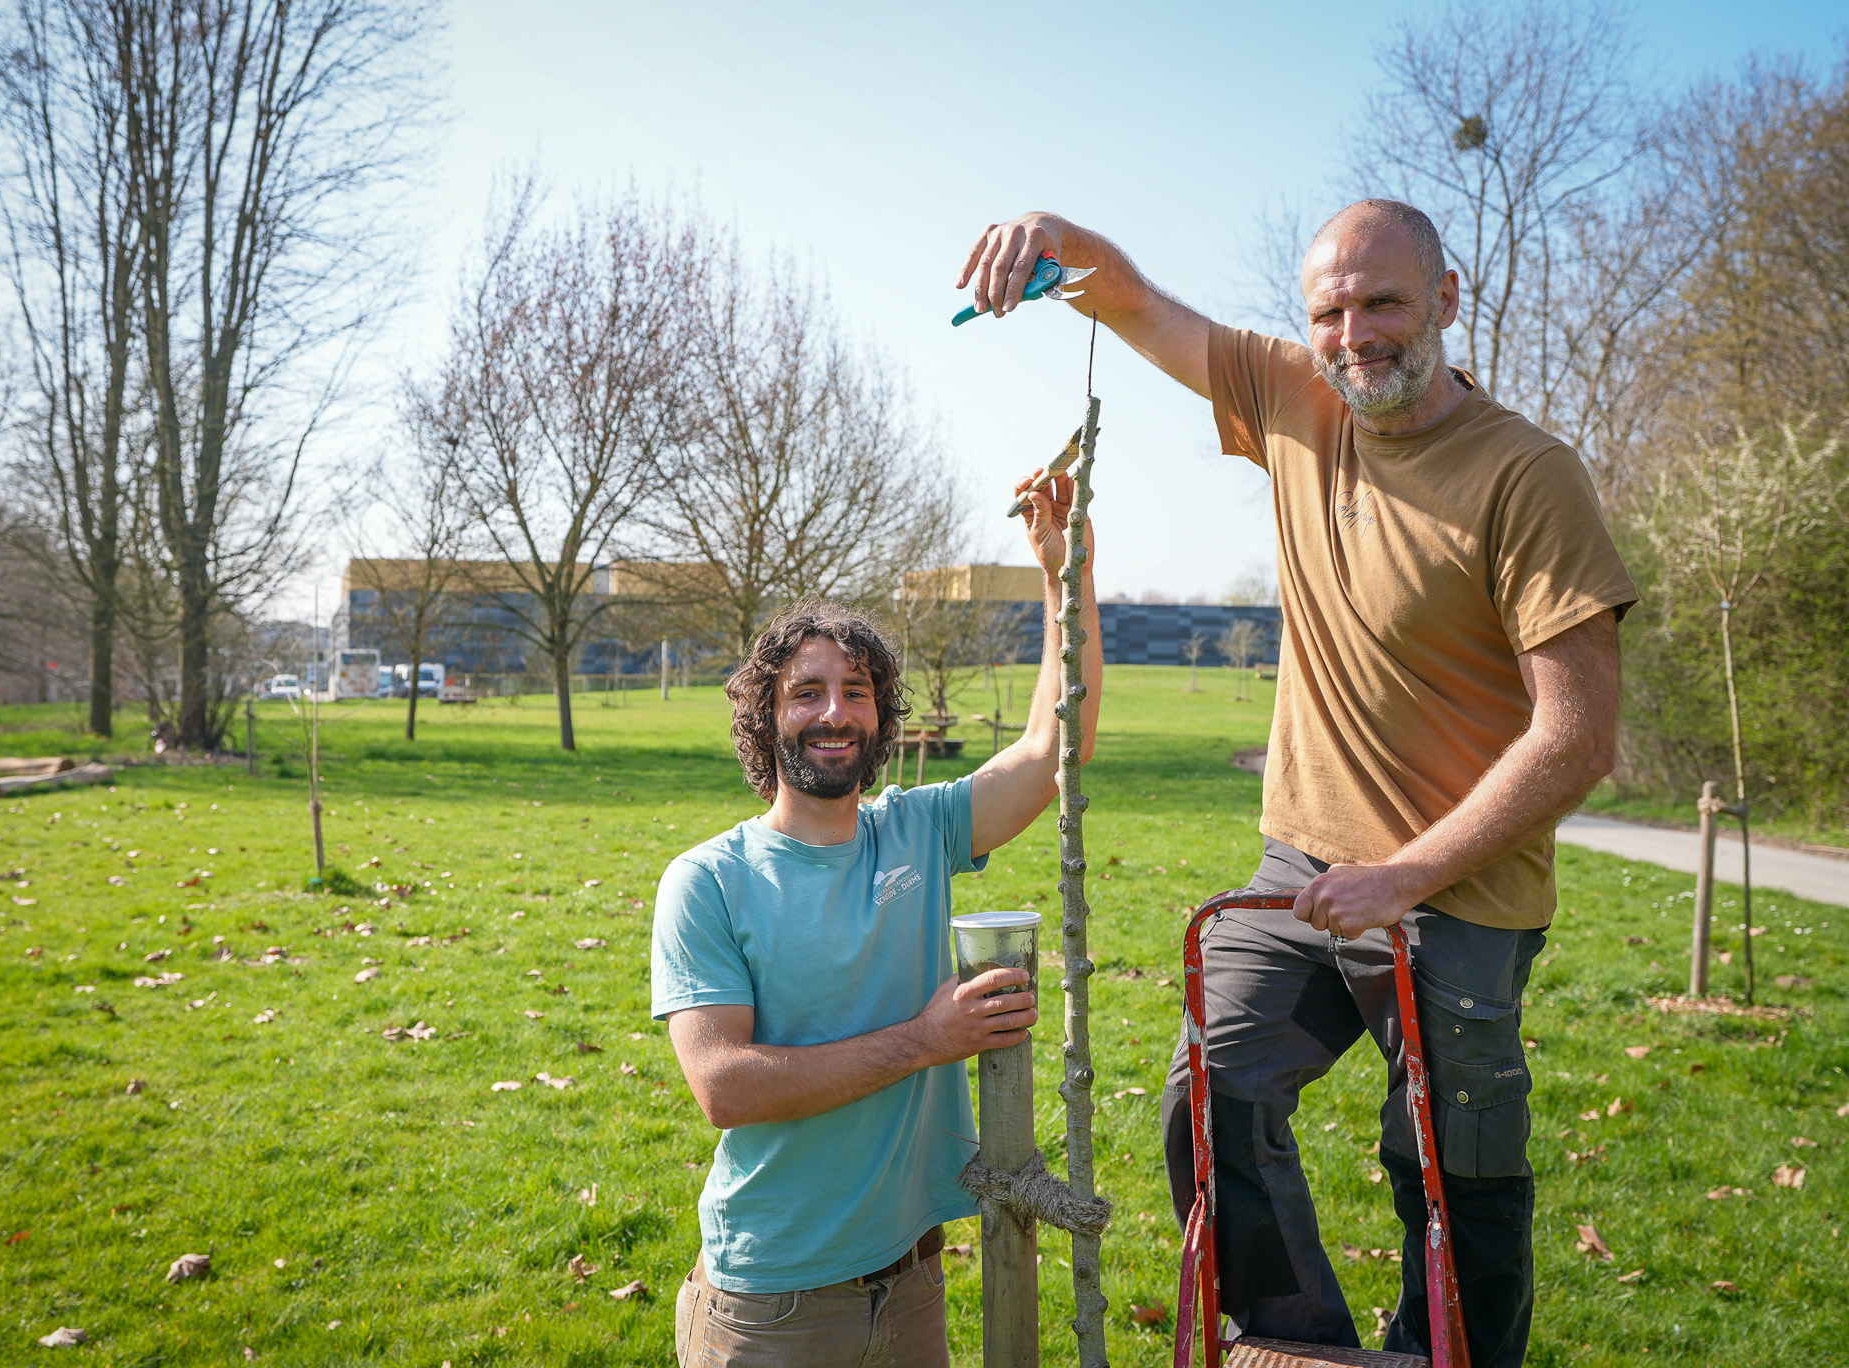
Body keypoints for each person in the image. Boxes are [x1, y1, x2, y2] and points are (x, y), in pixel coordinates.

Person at [953, 201, 1636, 1367]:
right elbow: (1132, 302)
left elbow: (1575, 736)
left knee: (1453, 1172)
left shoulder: (1526, 476)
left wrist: (1405, 875)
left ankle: (1446, 1353)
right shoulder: (1289, 397)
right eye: (1328, 310)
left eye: (1382, 303)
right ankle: (1294, 1345)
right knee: (1209, 1097)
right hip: (1297, 870)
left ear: (1445, 300)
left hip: (1459, 894)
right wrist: (1050, 234)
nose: (1352, 333)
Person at [653, 472, 1102, 1367]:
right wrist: (927, 1041)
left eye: (856, 690)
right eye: (807, 692)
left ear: (881, 716)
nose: (835, 712)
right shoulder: (708, 881)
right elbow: (724, 1086)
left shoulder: (919, 830)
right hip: (771, 1305)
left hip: (911, 1286)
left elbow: (1058, 746)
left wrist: (1066, 575)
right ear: (766, 718)